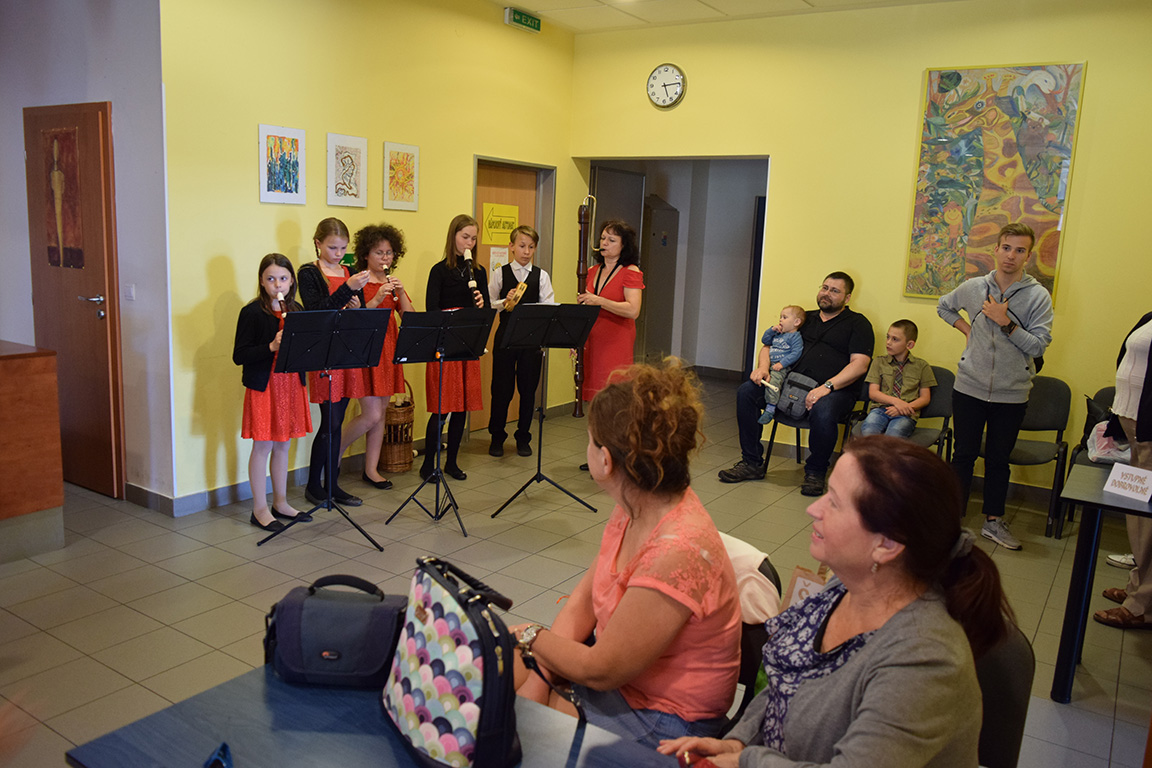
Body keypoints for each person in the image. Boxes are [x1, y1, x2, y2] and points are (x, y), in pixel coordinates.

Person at [660, 436, 1016, 768]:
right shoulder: (844, 588)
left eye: (833, 501)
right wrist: (737, 742)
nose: (813, 509)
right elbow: (785, 682)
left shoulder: (926, 658)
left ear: (887, 545)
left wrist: (747, 760)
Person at [513, 361, 741, 749]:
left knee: (516, 721)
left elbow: (602, 670)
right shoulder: (637, 503)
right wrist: (540, 677)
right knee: (501, 673)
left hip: (663, 717)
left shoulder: (677, 549)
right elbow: (583, 603)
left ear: (606, 460)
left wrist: (530, 637)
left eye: (589, 440)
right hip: (623, 683)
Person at [937, 222, 1053, 551]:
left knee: (999, 459)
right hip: (969, 386)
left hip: (1011, 392)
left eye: (1019, 250)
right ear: (996, 249)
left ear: (1028, 256)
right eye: (1006, 248)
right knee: (963, 455)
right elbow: (944, 306)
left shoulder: (1038, 296)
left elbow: (1039, 345)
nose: (1011, 256)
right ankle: (952, 521)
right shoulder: (974, 287)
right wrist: (966, 329)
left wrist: (1006, 323)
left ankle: (993, 521)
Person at [720, 272, 873, 497]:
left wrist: (826, 387)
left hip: (834, 390)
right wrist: (763, 368)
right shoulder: (802, 318)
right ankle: (751, 462)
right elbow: (768, 346)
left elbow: (859, 365)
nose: (827, 294)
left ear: (847, 297)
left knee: (824, 409)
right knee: (747, 392)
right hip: (788, 384)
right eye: (824, 287)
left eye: (834, 291)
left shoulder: (858, 324)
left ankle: (815, 472)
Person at [232, 253, 313, 532]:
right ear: (262, 282)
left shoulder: (297, 310)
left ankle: (281, 502)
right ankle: (259, 509)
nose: (278, 285)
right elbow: (240, 355)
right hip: (265, 385)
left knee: (283, 444)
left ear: (291, 281)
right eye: (271, 279)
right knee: (263, 445)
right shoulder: (252, 313)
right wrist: (271, 346)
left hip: (290, 384)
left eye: (283, 278)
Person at [297, 217, 369, 507]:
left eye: (342, 248)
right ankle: (314, 485)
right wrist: (346, 289)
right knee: (330, 421)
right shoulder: (308, 273)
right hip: (325, 354)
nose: (338, 254)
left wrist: (358, 305)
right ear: (318, 244)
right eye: (332, 248)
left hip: (347, 352)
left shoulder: (349, 272)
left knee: (338, 422)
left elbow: (361, 312)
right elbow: (316, 312)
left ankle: (333, 484)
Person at [337, 224, 414, 491]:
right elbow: (354, 320)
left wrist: (400, 292)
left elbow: (410, 318)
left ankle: (371, 469)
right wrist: (377, 298)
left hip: (389, 351)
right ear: (366, 254)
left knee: (381, 414)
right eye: (379, 252)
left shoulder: (392, 283)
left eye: (389, 253)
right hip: (366, 351)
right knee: (370, 415)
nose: (385, 258)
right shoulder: (358, 281)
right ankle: (334, 452)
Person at [419, 214, 489, 482]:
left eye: (473, 238)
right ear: (453, 237)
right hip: (444, 344)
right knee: (441, 408)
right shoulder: (439, 271)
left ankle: (452, 463)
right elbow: (431, 309)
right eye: (465, 237)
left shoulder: (478, 272)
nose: (469, 243)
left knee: (462, 408)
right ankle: (428, 465)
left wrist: (481, 305)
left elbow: (485, 312)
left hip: (467, 344)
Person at [1094, 311, 1152, 629]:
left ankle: (1143, 605)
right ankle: (1137, 589)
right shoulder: (1149, 316)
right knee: (1138, 517)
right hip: (1135, 428)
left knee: (1148, 521)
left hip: (1149, 431)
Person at [487, 225, 555, 458]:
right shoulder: (500, 273)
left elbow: (549, 306)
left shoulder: (541, 276)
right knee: (501, 390)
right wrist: (503, 302)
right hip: (505, 339)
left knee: (528, 391)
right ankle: (497, 437)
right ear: (512, 247)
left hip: (531, 341)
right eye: (522, 246)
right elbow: (489, 304)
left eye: (531, 247)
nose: (526, 252)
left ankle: (523, 437)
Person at [577, 220, 645, 401]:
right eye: (602, 238)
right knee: (593, 396)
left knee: (613, 395)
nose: (604, 243)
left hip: (616, 340)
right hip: (592, 340)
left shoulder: (630, 271)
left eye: (611, 240)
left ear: (624, 245)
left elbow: (633, 310)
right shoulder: (592, 271)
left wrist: (599, 301)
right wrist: (576, 337)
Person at [859, 319, 936, 438]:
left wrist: (903, 408)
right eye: (888, 337)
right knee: (869, 432)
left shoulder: (922, 366)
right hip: (880, 410)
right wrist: (897, 402)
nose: (888, 342)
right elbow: (873, 393)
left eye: (895, 339)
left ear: (909, 345)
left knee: (894, 436)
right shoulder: (879, 362)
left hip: (906, 414)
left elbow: (925, 398)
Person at [754, 305, 806, 426]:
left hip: (780, 367)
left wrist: (782, 364)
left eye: (785, 317)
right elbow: (765, 341)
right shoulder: (778, 333)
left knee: (773, 384)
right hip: (769, 364)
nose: (780, 320)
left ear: (796, 322)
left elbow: (796, 353)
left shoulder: (795, 337)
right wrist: (771, 330)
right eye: (780, 317)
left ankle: (770, 408)